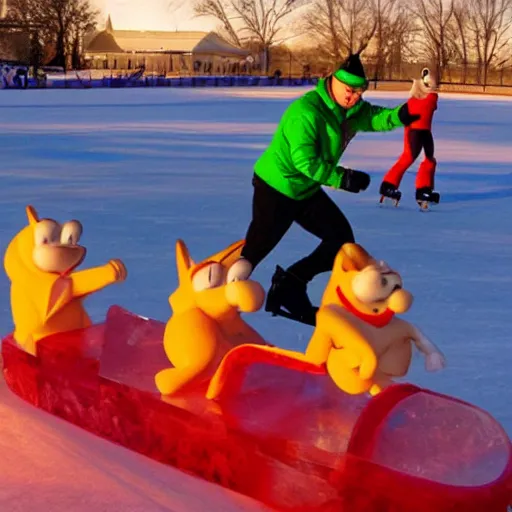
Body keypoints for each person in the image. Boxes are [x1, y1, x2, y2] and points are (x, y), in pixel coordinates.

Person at [227, 53, 420, 326]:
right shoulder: (306, 112)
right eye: (349, 91)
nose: (353, 97)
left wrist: (406, 112)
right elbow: (304, 161)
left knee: (341, 240)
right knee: (255, 251)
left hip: (306, 190)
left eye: (359, 92)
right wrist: (342, 179)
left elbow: (378, 118)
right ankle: (223, 303)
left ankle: (290, 285)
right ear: (333, 81)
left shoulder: (351, 110)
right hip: (277, 187)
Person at [379, 68, 440, 207]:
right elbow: (429, 101)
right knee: (408, 157)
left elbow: (431, 102)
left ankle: (424, 189)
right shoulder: (419, 99)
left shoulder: (426, 97)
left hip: (425, 131)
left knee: (429, 158)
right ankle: (388, 185)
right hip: (414, 131)